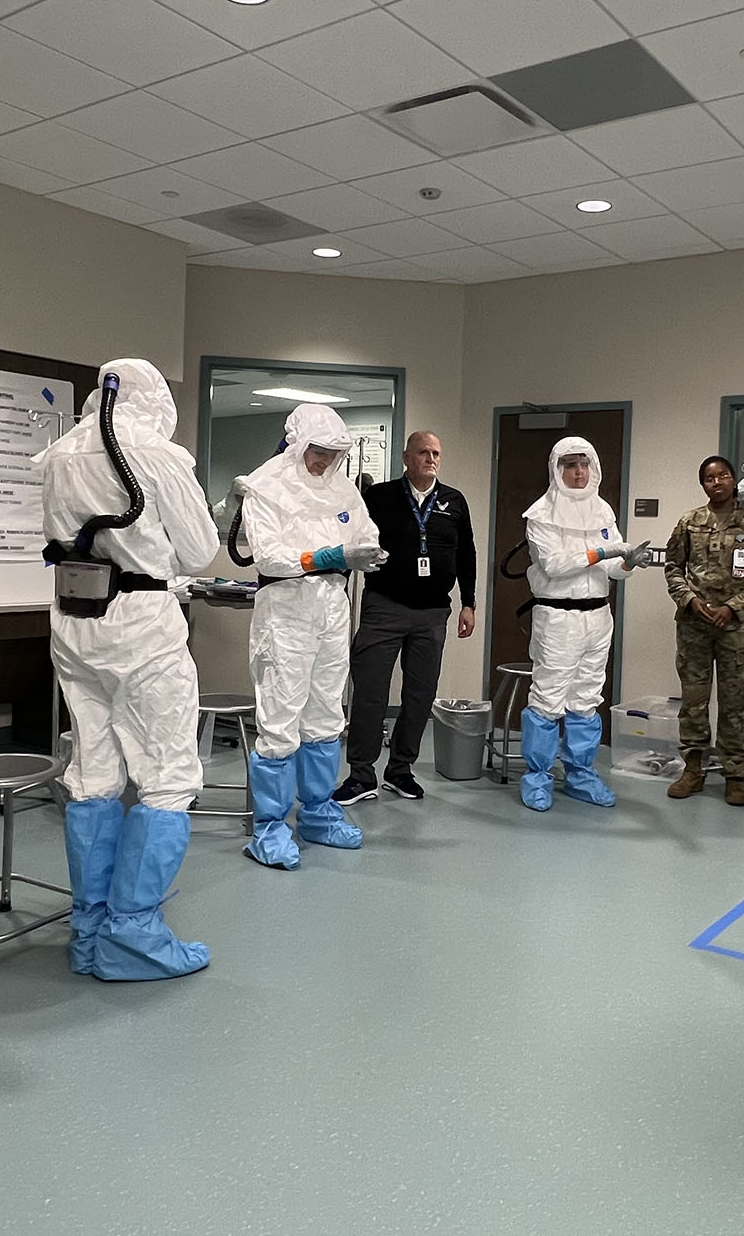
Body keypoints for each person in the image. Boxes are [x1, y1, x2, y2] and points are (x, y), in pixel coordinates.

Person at [38, 359, 220, 981]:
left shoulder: (59, 454)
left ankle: (89, 930)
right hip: (142, 624)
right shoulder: (157, 455)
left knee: (93, 769)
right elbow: (199, 550)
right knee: (168, 772)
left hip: (74, 619)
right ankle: (133, 935)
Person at [236, 404, 386, 869]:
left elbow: (366, 532)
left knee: (324, 712)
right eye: (316, 452)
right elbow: (268, 557)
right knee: (281, 718)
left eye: (331, 454)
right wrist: (325, 556)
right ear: (297, 444)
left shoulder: (343, 489)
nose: (323, 462)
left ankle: (319, 813)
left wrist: (364, 553)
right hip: (285, 611)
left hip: (332, 608)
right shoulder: (264, 486)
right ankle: (271, 827)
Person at [338, 431, 477, 804]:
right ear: (406, 457)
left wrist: (469, 602)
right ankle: (361, 775)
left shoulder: (453, 501)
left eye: (436, 453)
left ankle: (400, 769)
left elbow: (467, 553)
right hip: (384, 606)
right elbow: (354, 543)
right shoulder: (379, 497)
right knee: (370, 693)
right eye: (423, 452)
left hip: (433, 613)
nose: (431, 458)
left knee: (420, 696)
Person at [518, 436, 652, 812]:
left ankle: (580, 774)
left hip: (598, 615)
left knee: (587, 696)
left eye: (583, 464)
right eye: (570, 465)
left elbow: (613, 567)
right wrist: (604, 551)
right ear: (556, 469)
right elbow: (555, 566)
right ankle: (538, 776)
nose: (578, 472)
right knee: (548, 697)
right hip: (557, 616)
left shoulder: (602, 511)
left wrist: (627, 563)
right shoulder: (541, 514)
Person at [663, 456, 744, 806]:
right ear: (703, 484)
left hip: (735, 629)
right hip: (695, 626)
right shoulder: (688, 523)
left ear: (733, 481)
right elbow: (672, 568)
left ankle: (733, 775)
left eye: (723, 476)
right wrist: (691, 602)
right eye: (709, 478)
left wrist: (733, 607)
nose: (717, 482)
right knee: (694, 702)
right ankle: (693, 769)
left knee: (733, 704)